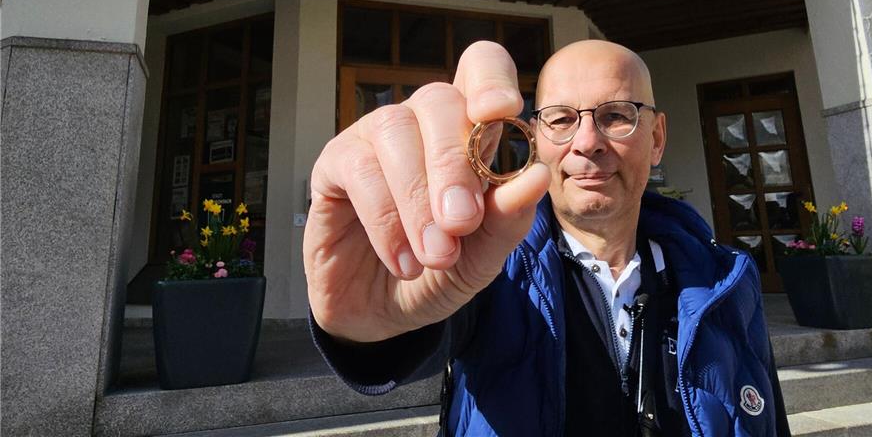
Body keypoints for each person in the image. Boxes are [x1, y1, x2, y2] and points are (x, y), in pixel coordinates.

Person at [304, 40, 790, 436]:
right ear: (534, 137)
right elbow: (420, 329)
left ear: (657, 138)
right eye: (561, 119)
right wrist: (369, 325)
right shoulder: (487, 273)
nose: (587, 141)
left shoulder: (728, 280)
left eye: (617, 115)